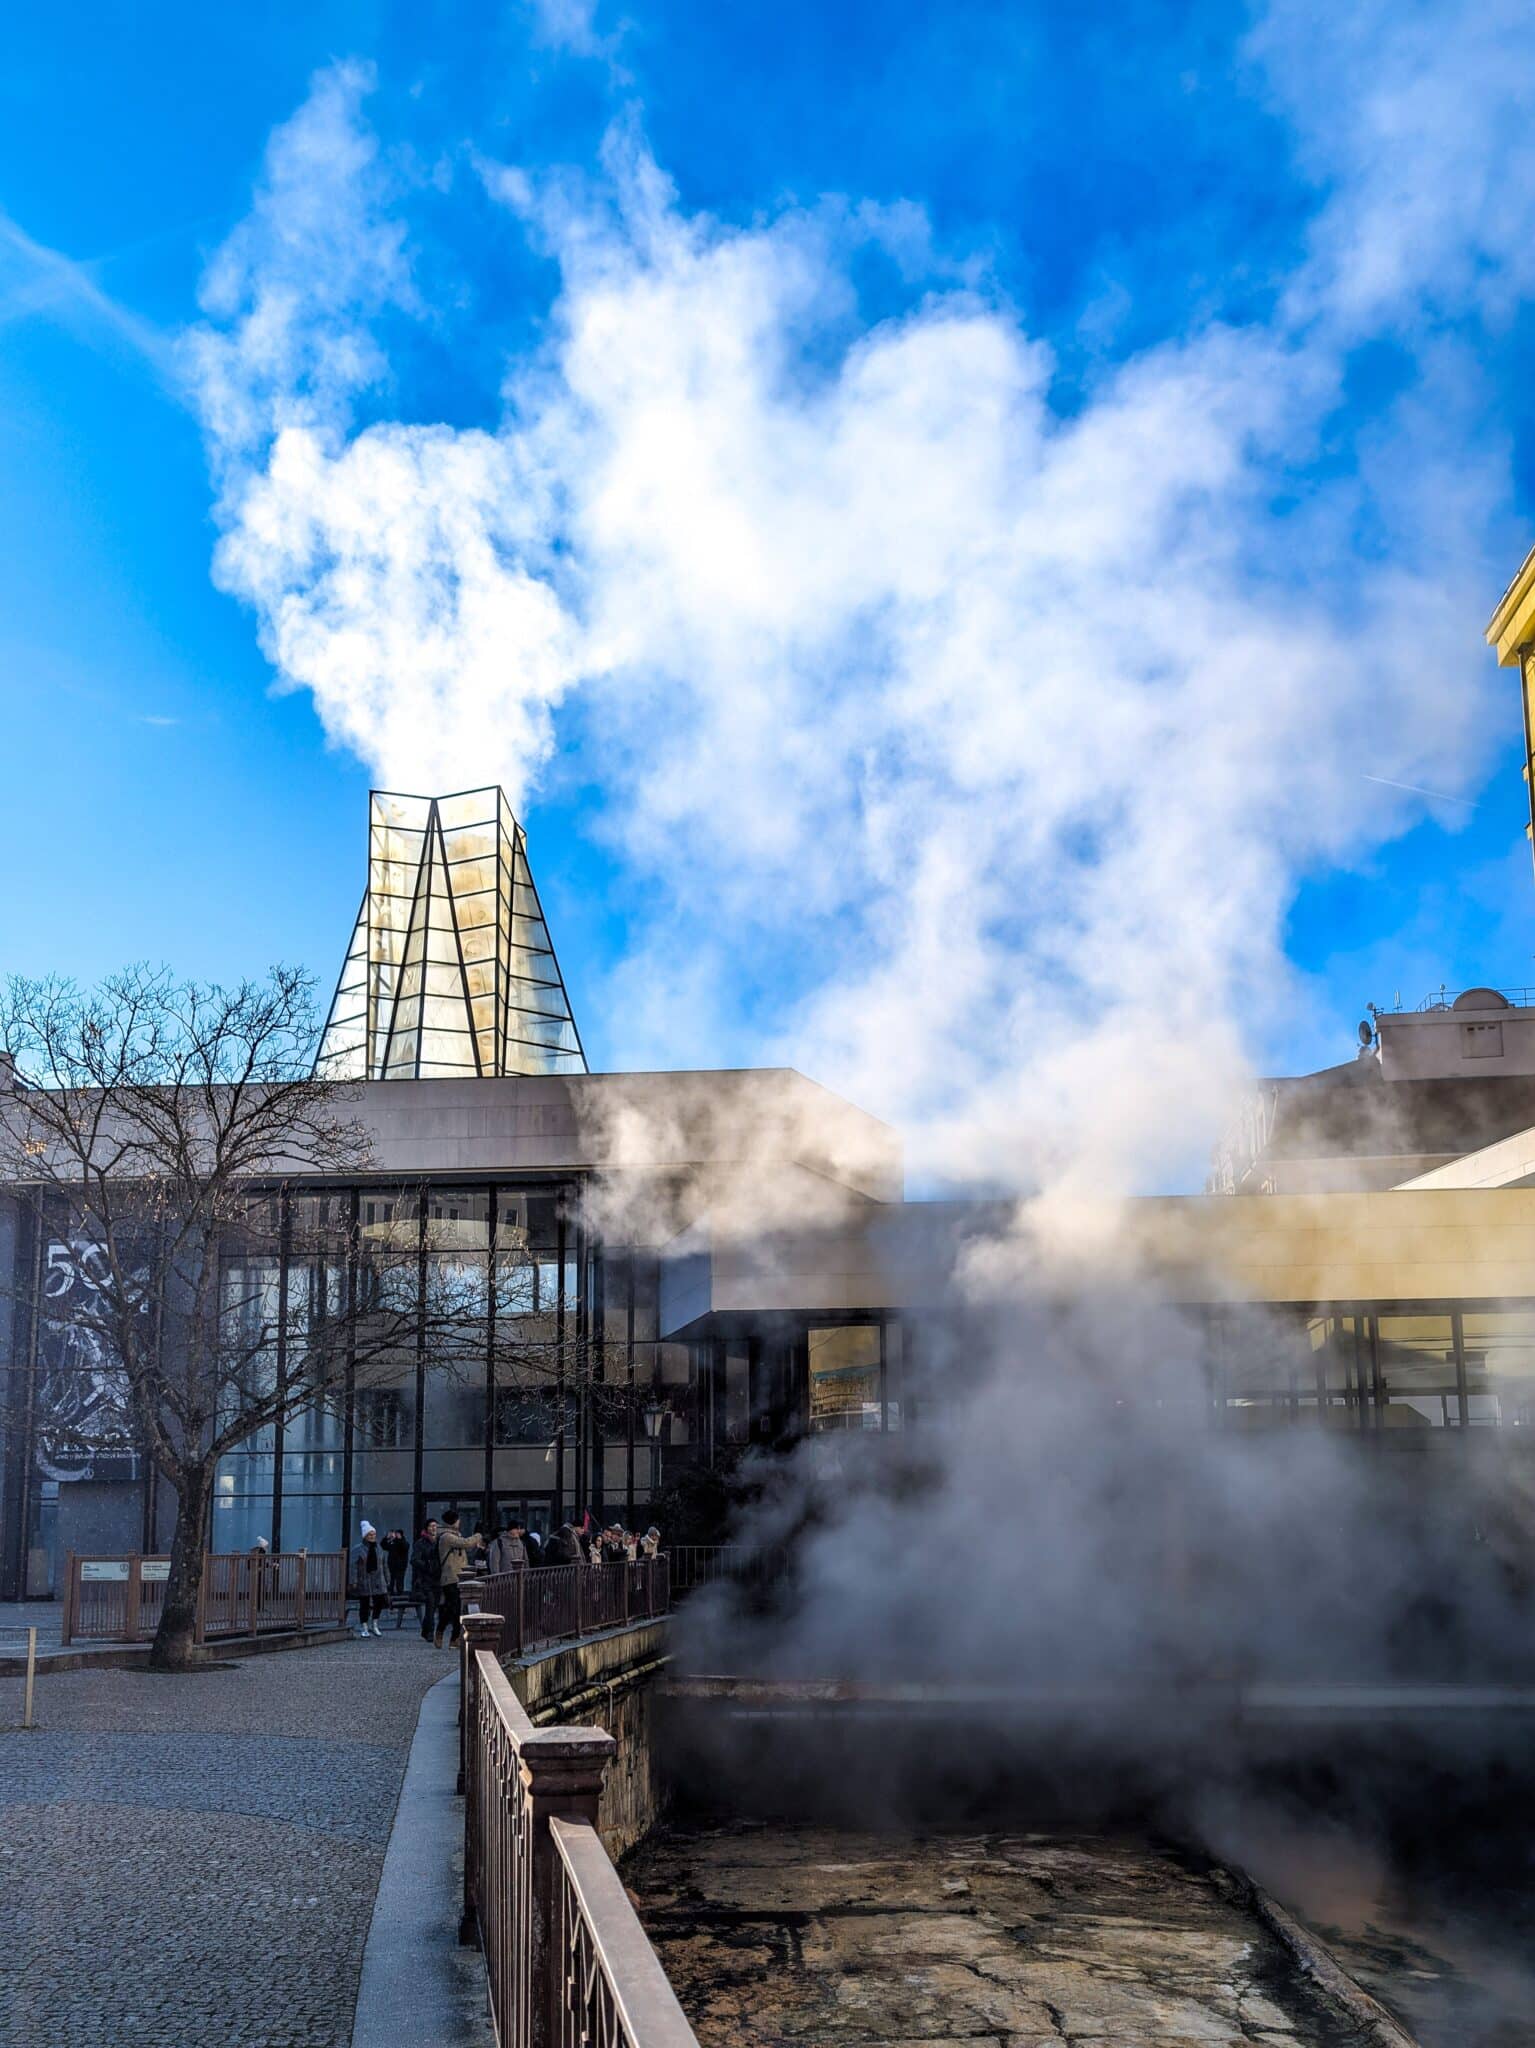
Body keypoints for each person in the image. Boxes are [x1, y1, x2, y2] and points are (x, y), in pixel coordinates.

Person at [434, 1509, 486, 1647]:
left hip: (459, 1576)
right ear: (454, 1521)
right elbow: (466, 1543)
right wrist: (478, 1534)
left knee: (454, 1607)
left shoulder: (454, 1535)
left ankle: (453, 1637)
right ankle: (446, 1633)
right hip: (450, 1576)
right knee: (453, 1607)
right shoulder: (446, 1536)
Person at [351, 1520, 389, 1638]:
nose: (372, 1536)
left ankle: (375, 1624)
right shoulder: (358, 1549)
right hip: (364, 1580)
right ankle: (364, 1626)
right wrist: (353, 1581)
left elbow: (384, 1564)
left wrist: (387, 1579)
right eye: (370, 1534)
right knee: (364, 1604)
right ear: (365, 1536)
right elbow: (353, 1566)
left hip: (378, 1580)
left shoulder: (379, 1548)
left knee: (379, 1602)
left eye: (373, 1534)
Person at [410, 1517, 440, 1642]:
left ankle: (425, 1630)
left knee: (435, 1605)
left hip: (438, 1578)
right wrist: (427, 1566)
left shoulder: (439, 1542)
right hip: (426, 1578)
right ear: (426, 1528)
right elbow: (414, 1560)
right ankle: (430, 1633)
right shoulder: (420, 1543)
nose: (434, 1528)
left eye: (435, 1526)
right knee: (430, 1605)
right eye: (431, 1526)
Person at [384, 1527, 409, 1597]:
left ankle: (400, 1595)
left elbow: (405, 1547)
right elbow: (384, 1546)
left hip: (401, 1566)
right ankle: (391, 1593)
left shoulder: (404, 1542)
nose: (395, 1535)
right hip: (392, 1565)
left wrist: (400, 1539)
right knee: (392, 1580)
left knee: (399, 1580)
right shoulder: (393, 1543)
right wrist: (387, 1537)